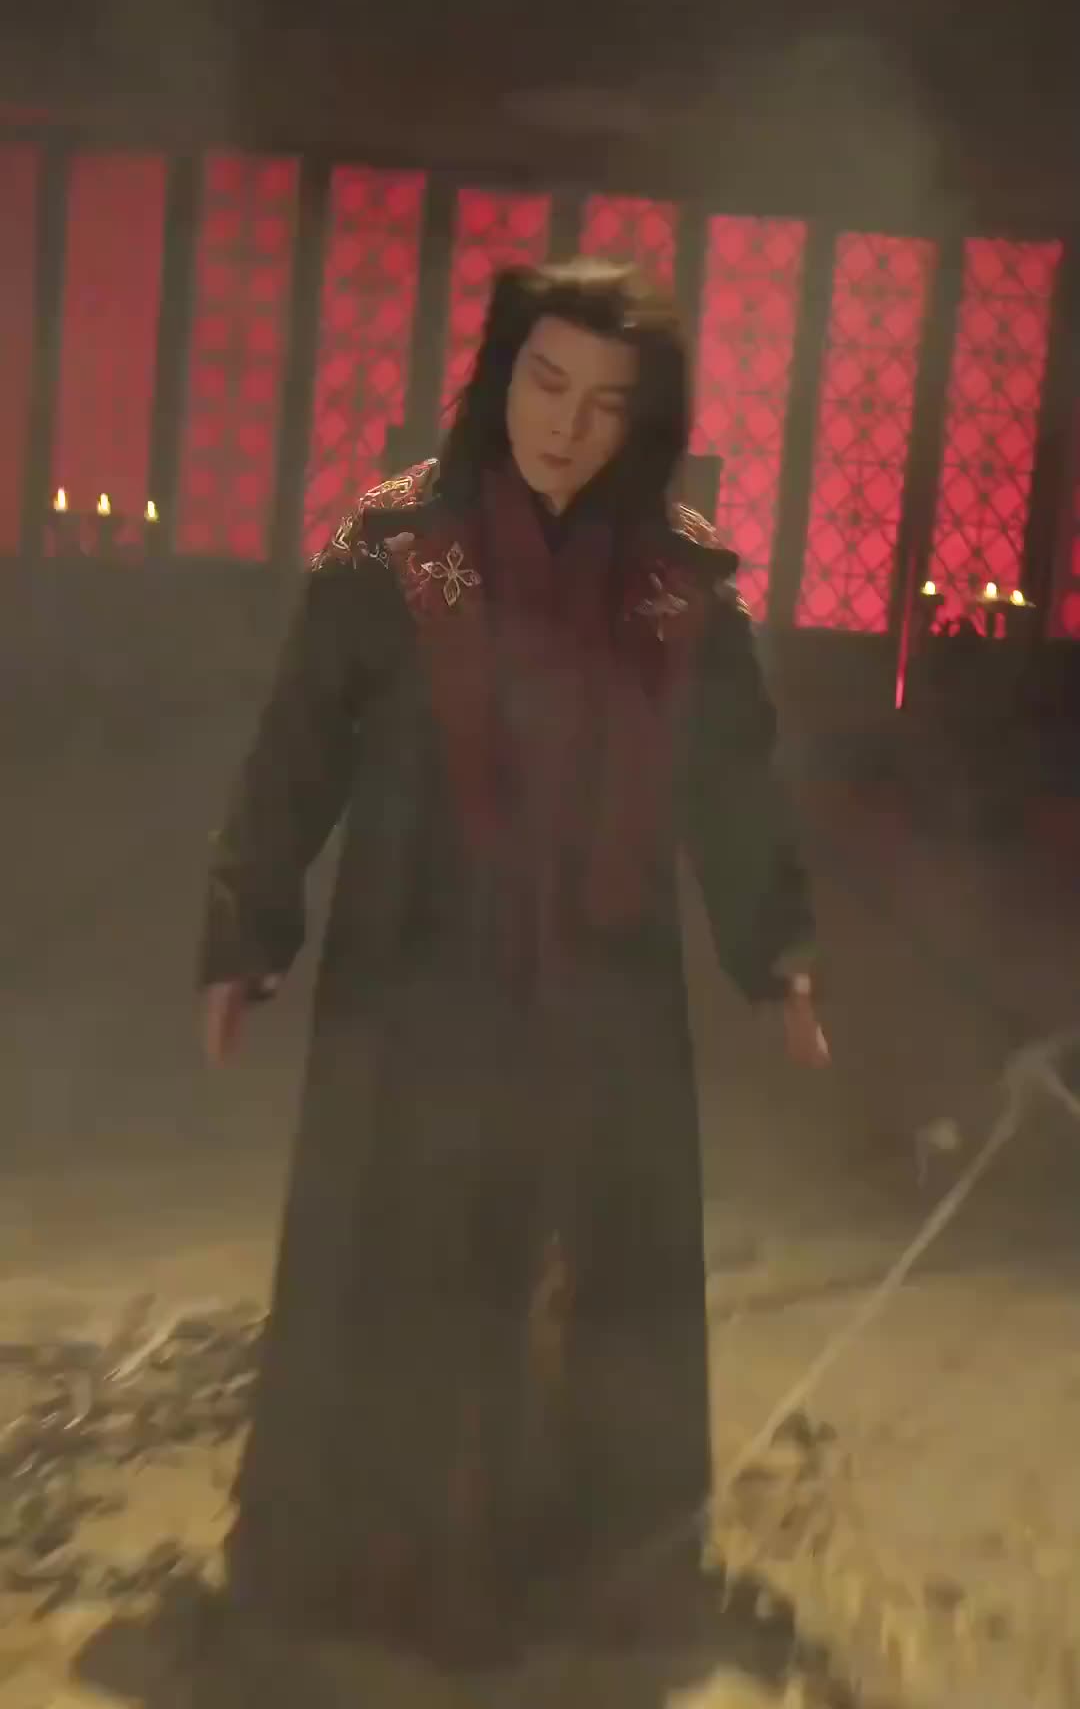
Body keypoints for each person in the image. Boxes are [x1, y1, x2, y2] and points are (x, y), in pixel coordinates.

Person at [198, 258, 826, 1670]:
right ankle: (379, 1566)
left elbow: (732, 788)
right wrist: (248, 926)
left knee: (586, 1265)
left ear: (640, 422)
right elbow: (299, 748)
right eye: (545, 383)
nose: (565, 425)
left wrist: (775, 951)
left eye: (604, 403)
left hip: (601, 986)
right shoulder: (396, 546)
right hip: (419, 975)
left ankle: (584, 1565)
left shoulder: (674, 582)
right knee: (411, 1254)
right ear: (500, 378)